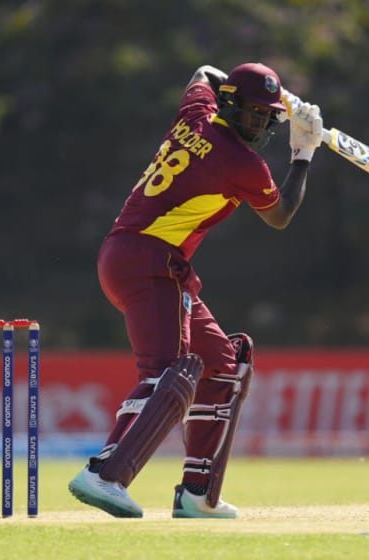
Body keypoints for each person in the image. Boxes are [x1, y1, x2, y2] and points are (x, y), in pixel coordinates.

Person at [69, 62, 323, 518]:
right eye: (254, 112)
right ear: (229, 103)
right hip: (151, 261)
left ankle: (197, 494)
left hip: (133, 257)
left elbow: (204, 71)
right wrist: (303, 153)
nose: (260, 123)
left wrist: (279, 100)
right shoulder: (242, 163)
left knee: (224, 365)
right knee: (169, 373)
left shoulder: (197, 112)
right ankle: (104, 473)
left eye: (267, 116)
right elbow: (281, 215)